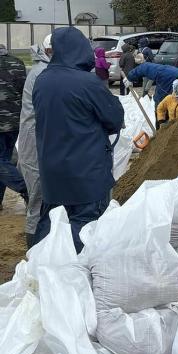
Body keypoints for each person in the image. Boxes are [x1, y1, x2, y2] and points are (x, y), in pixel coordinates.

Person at [32, 26, 124, 251]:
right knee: (84, 233)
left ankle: (42, 269)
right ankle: (74, 278)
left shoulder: (42, 81)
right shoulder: (87, 83)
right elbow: (114, 119)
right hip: (86, 176)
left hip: (52, 173)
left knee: (53, 226)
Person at [18, 35, 51, 248]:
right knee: (38, 197)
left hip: (37, 139)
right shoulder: (42, 73)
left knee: (41, 197)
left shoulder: (42, 70)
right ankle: (35, 247)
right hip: (34, 142)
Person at [0, 44, 28, 212]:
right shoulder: (17, 62)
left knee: (1, 161)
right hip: (14, 122)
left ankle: (26, 189)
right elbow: (24, 91)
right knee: (4, 159)